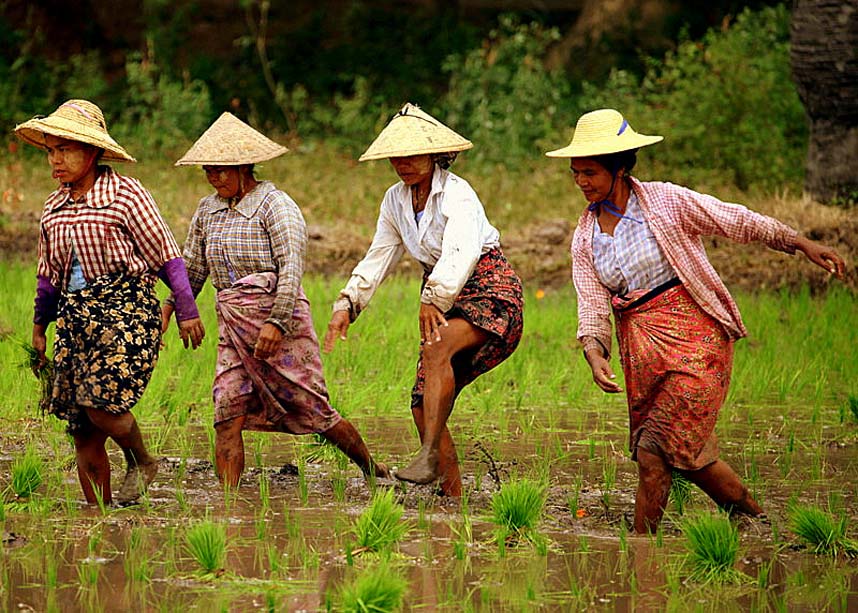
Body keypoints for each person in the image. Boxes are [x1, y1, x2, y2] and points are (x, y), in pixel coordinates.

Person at [546, 108, 847, 533]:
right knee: (690, 454)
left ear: (620, 167)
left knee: (654, 451)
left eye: (590, 172)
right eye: (576, 173)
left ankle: (641, 552)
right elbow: (592, 302)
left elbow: (733, 219)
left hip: (697, 343)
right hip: (644, 357)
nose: (581, 182)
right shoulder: (585, 237)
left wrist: (797, 242)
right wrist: (594, 353)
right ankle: (756, 523)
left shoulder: (665, 202)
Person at [162, 112, 387, 487]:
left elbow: (291, 266)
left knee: (313, 409)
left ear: (243, 167)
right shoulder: (207, 210)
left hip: (279, 321)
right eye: (208, 171)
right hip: (234, 325)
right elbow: (194, 266)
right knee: (226, 409)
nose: (214, 178)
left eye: (221, 170)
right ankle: (230, 505)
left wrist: (276, 322)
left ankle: (370, 468)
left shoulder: (275, 206)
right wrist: (174, 305)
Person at [324, 103, 524, 497]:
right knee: (421, 404)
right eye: (396, 156)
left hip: (487, 288)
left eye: (412, 155)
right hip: (443, 298)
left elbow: (462, 251)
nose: (403, 163)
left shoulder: (457, 194)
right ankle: (453, 497)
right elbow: (380, 253)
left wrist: (434, 296)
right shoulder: (395, 202)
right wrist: (348, 302)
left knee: (438, 347)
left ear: (434, 154)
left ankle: (429, 453)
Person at [15, 99, 205, 506]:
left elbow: (166, 254)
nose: (56, 160)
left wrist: (187, 310)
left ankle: (142, 460)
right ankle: (100, 519)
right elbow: (47, 273)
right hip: (74, 318)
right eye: (51, 150)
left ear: (93, 151)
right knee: (81, 427)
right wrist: (38, 326)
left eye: (65, 149)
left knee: (100, 404)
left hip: (126, 312)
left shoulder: (124, 195)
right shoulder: (54, 206)